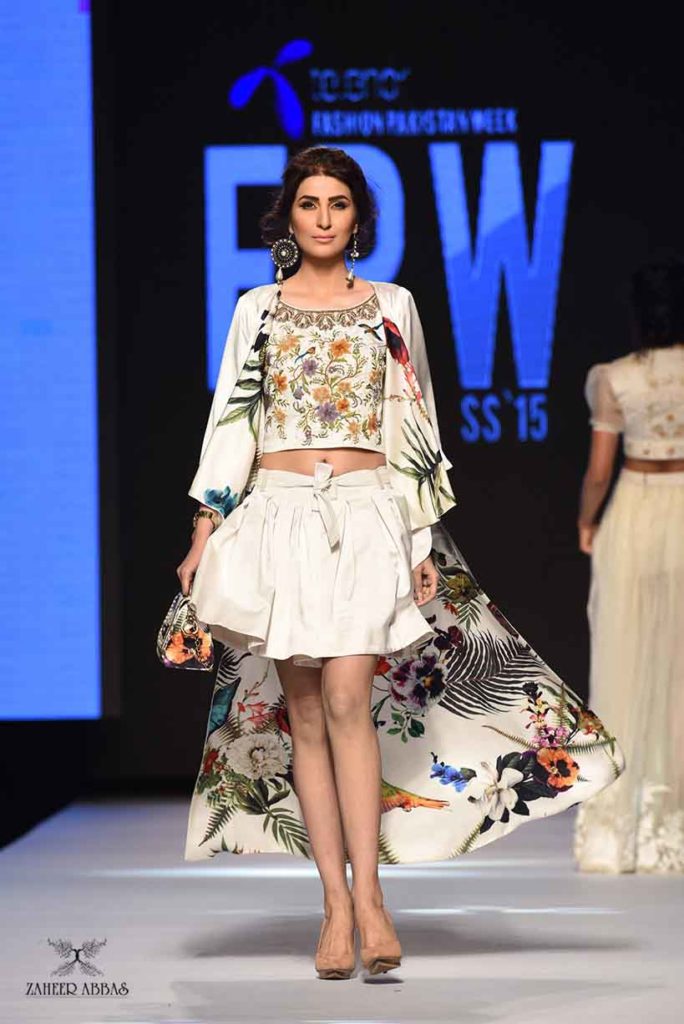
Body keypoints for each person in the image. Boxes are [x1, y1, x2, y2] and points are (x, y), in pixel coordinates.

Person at [174, 145, 624, 980]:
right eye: (309, 203)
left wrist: (420, 539)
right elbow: (231, 422)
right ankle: (335, 907)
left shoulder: (391, 305)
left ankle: (373, 898)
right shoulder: (257, 310)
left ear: (358, 218)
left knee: (349, 697)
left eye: (338, 204)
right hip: (278, 518)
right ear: (288, 215)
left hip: (368, 516)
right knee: (306, 712)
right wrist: (206, 531)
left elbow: (412, 423)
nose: (322, 218)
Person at [574, 257, 684, 873]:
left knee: (625, 658)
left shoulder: (616, 377)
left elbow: (599, 472)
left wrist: (587, 521)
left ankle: (616, 833)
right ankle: (671, 826)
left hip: (636, 512)